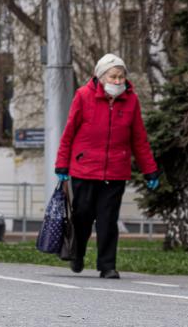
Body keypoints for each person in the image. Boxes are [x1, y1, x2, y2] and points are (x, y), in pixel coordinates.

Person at [55, 53, 160, 280]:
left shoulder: (131, 100)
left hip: (115, 171)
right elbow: (69, 133)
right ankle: (77, 254)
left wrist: (149, 169)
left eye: (121, 76)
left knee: (107, 219)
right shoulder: (84, 96)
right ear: (101, 77)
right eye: (113, 76)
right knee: (82, 215)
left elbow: (139, 139)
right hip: (84, 169)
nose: (118, 81)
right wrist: (62, 165)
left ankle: (107, 266)